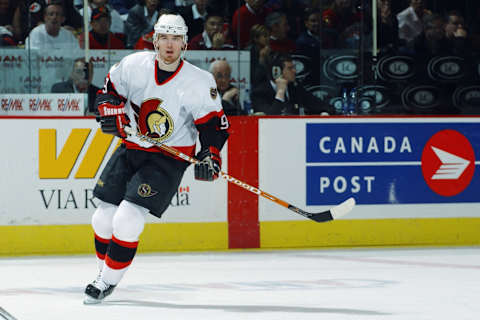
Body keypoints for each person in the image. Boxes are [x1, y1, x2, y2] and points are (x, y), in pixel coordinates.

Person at [83, 13, 230, 304]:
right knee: (102, 218)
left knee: (127, 218)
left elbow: (214, 126)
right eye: (164, 37)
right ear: (154, 39)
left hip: (167, 159)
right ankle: (105, 275)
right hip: (132, 148)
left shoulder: (199, 81)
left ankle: (106, 281)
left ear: (185, 44)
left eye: (176, 38)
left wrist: (210, 154)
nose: (170, 44)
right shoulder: (133, 65)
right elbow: (107, 94)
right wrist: (109, 113)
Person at [251, 53, 332, 115]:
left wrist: (325, 112)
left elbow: (318, 104)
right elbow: (269, 119)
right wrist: (280, 93)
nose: (295, 71)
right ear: (276, 71)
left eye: (294, 67)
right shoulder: (260, 93)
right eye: (290, 68)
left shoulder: (294, 87)